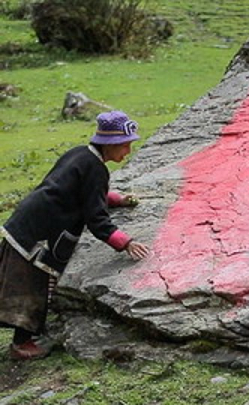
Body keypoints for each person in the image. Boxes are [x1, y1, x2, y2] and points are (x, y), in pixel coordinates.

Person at [0, 110, 150, 360]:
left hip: (25, 223)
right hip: (38, 234)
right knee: (30, 288)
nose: (127, 151)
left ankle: (26, 338)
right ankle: (21, 344)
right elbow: (96, 219)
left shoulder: (80, 154)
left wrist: (116, 199)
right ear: (109, 144)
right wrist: (125, 242)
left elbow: (83, 192)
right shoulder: (95, 169)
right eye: (124, 145)